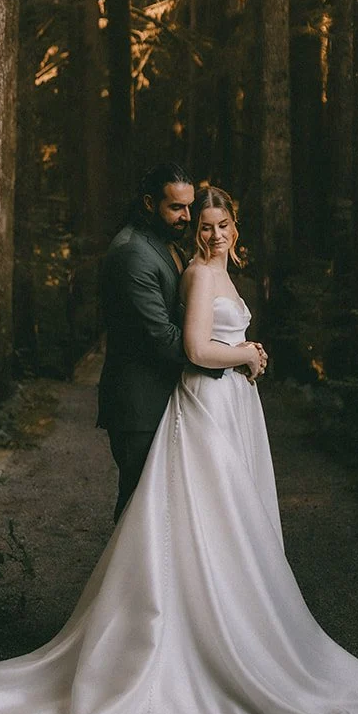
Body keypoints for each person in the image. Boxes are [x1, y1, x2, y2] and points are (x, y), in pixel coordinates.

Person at [0, 181, 358, 714]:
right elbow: (195, 348)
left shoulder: (222, 272)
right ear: (196, 231)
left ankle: (239, 630)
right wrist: (246, 354)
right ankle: (183, 645)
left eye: (221, 224)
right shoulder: (196, 274)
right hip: (206, 405)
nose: (213, 234)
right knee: (205, 519)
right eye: (205, 226)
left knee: (234, 522)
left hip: (233, 404)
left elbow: (220, 335)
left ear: (235, 227)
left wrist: (245, 353)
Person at [95, 161, 266, 521]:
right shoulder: (132, 253)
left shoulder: (166, 244)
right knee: (140, 512)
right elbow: (163, 336)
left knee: (174, 510)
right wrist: (234, 357)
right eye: (176, 207)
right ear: (149, 203)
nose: (186, 217)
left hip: (169, 394)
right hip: (139, 404)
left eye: (189, 207)